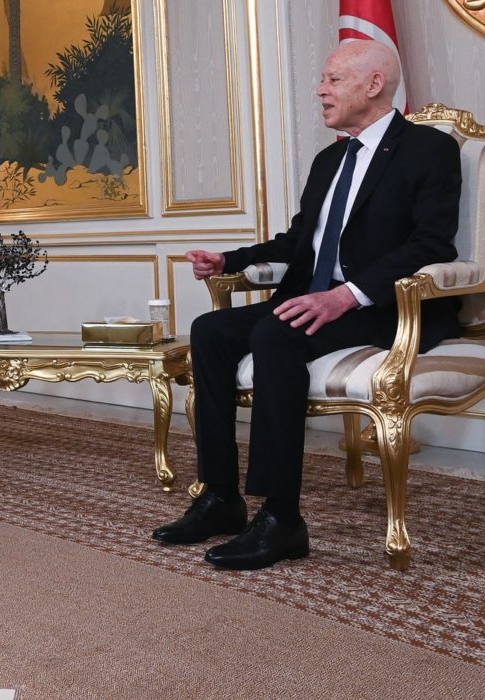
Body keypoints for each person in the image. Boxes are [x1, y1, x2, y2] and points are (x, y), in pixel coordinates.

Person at [154, 39, 460, 569]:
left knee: (275, 334)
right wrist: (229, 260)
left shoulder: (428, 150)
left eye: (333, 79)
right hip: (313, 297)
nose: (320, 89)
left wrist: (346, 295)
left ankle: (281, 519)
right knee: (210, 330)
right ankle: (220, 498)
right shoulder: (329, 160)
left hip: (381, 308)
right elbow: (300, 241)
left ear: (374, 84)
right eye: (323, 79)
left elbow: (431, 243)